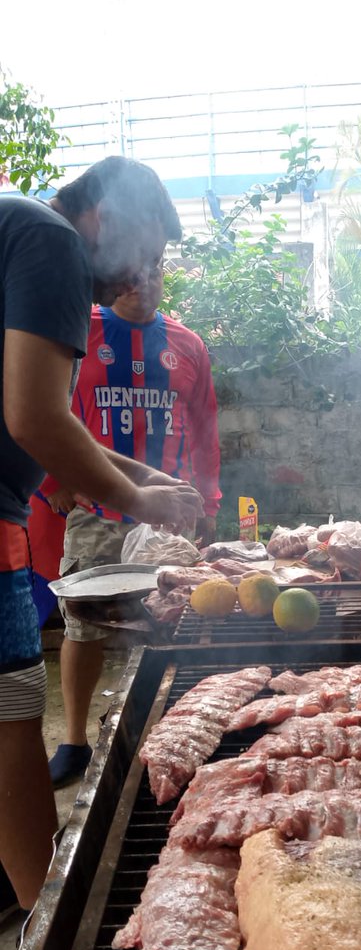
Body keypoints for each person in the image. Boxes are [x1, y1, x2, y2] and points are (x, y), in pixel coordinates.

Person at [0, 156, 204, 917]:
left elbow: (49, 418)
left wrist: (137, 480)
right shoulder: (49, 240)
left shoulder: (19, 229)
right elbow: (36, 420)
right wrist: (138, 503)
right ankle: (45, 924)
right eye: (148, 251)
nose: (141, 276)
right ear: (107, 214)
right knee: (14, 720)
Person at [43, 262, 222, 786]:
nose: (146, 283)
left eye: (157, 271)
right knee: (83, 628)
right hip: (97, 513)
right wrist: (51, 482)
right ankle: (74, 741)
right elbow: (43, 411)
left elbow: (206, 430)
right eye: (134, 273)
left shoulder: (187, 345)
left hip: (169, 524)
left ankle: (157, 734)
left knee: (168, 627)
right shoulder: (81, 331)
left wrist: (207, 505)